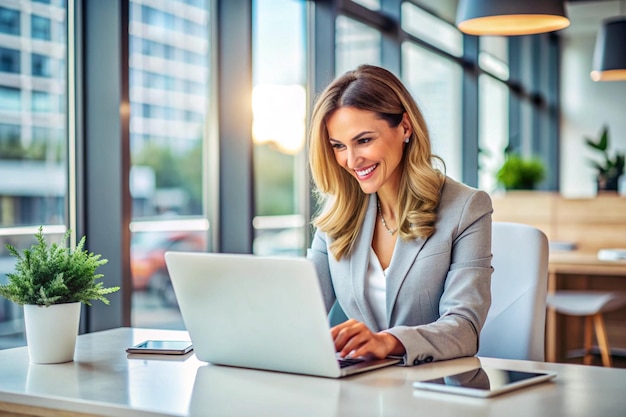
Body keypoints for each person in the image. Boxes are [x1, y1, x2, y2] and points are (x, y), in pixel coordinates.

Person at [307, 64, 493, 366]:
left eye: (364, 140)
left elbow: (465, 327)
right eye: (339, 146)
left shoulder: (466, 208)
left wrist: (387, 342)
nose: (351, 160)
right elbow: (303, 309)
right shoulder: (337, 214)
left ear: (405, 127)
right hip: (362, 388)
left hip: (436, 390)